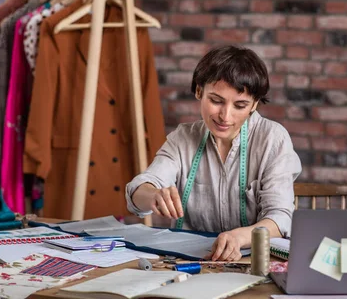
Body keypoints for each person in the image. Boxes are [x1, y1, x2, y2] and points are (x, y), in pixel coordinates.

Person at [125, 45, 302, 262]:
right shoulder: (183, 139)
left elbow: (281, 217)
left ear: (254, 104)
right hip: (190, 262)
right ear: (199, 91)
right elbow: (137, 192)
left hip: (251, 263)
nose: (225, 116)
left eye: (240, 105)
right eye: (216, 101)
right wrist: (152, 195)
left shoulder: (272, 139)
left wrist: (241, 237)